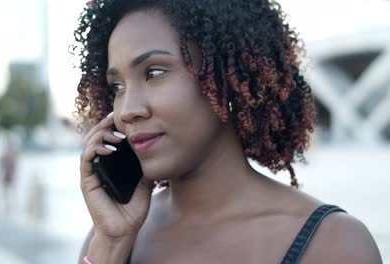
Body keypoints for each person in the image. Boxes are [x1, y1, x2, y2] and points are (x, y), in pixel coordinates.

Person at [74, 0, 382, 263]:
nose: (127, 109)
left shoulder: (333, 244)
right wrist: (111, 245)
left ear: (225, 76)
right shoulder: (113, 235)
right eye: (117, 86)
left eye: (154, 73)